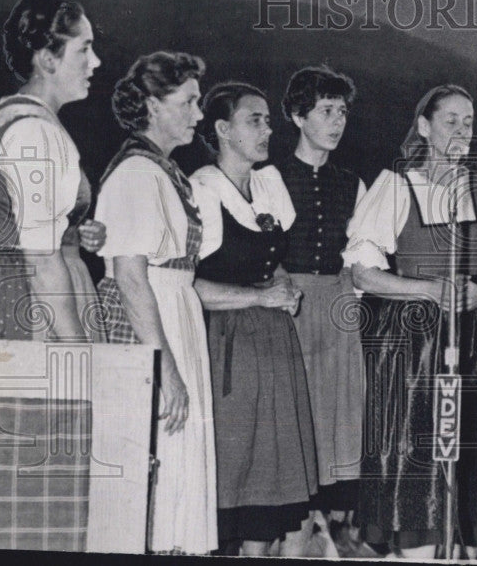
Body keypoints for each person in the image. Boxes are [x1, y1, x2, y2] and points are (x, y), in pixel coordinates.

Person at [344, 84, 477, 558]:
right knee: (416, 455)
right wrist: (426, 289)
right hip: (411, 343)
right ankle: (418, 550)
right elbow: (363, 271)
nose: (462, 130)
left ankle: (467, 548)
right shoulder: (396, 186)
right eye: (451, 120)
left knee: (476, 454)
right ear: (424, 127)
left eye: (468, 121)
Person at [94, 52, 216, 554]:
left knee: (178, 464)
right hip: (153, 326)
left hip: (174, 314)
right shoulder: (136, 174)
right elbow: (129, 275)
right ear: (152, 104)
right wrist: (163, 369)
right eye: (187, 101)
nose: (198, 113)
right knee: (156, 465)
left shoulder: (162, 170)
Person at [190, 82, 318, 556]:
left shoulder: (268, 183)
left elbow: (270, 259)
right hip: (226, 347)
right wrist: (258, 298)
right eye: (254, 120)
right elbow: (189, 288)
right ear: (223, 129)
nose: (267, 129)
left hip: (273, 343)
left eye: (267, 119)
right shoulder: (202, 188)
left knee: (269, 488)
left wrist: (283, 287)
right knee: (235, 478)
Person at [0, 0, 105, 342]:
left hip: (26, 290)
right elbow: (41, 260)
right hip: (37, 306)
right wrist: (80, 353)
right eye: (84, 49)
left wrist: (75, 231)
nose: (95, 62)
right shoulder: (34, 132)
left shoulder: (15, 117)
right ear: (48, 60)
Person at [277, 66, 366, 534]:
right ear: (297, 115)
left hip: (338, 311)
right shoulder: (267, 177)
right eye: (326, 110)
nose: (337, 121)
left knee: (338, 424)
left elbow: (361, 258)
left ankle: (331, 529)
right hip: (287, 309)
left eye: (343, 112)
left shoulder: (354, 184)